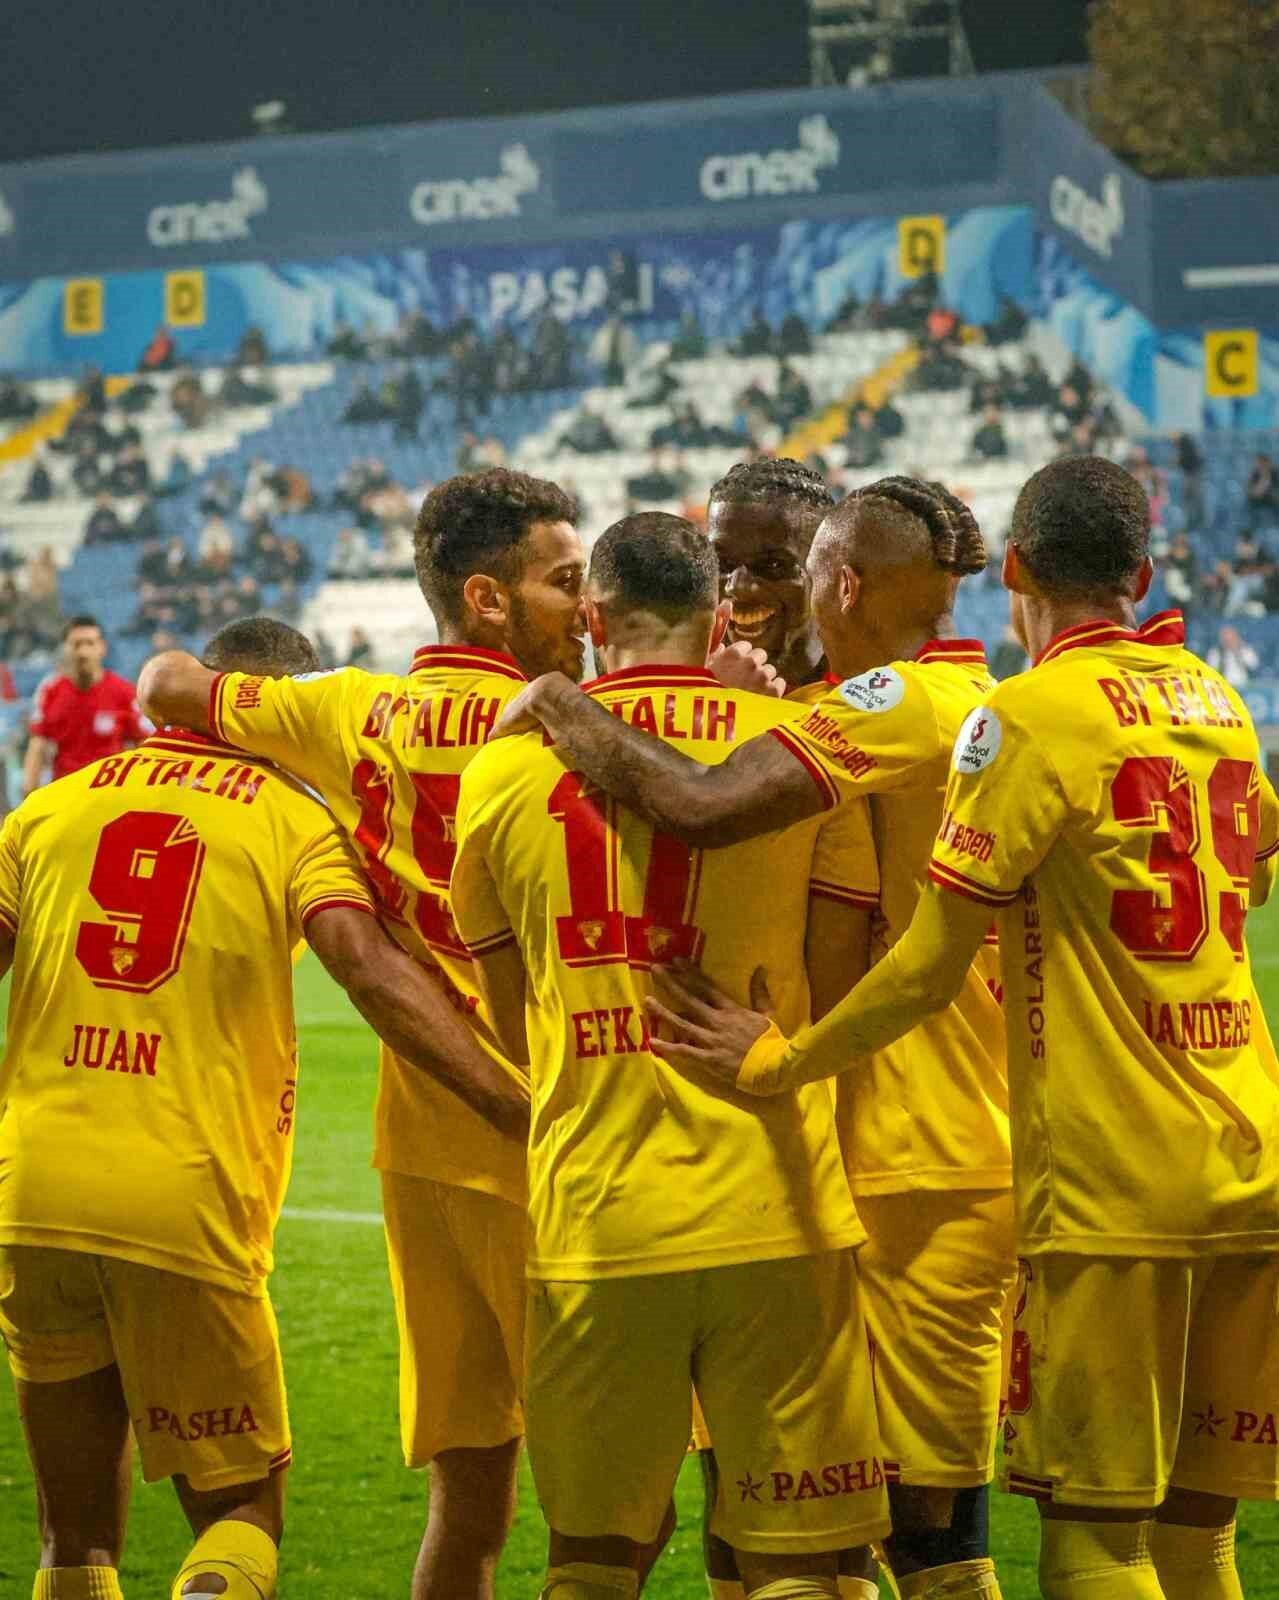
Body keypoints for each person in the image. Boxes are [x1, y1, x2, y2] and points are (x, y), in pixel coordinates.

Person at [657, 454, 1279, 1600]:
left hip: (1101, 1178)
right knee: (1195, 1539)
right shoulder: (1213, 696)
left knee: (1082, 1544)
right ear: (1141, 574)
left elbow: (922, 958)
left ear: (1017, 572)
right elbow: (1252, 863)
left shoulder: (1014, 716)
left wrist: (782, 1060)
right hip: (1247, 1150)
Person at [491, 477, 1013, 1600]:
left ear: (836, 575)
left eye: (773, 566)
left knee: (921, 1535)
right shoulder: (813, 712)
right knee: (765, 1526)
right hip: (801, 1169)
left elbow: (711, 811)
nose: (742, 592)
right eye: (722, 566)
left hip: (914, 1155)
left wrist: (567, 702)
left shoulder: (878, 709)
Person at [0, 616, 528, 1600]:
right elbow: (369, 971)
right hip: (182, 1199)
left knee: (72, 1540)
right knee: (241, 1513)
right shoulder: (294, 821)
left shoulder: (46, 810)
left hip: (29, 1191)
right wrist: (512, 1102)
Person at [138, 468, 591, 1600]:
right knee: (608, 1518)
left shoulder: (351, 710)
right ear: (487, 598)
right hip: (563, 1134)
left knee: (469, 1499)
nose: (585, 608)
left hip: (425, 1145)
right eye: (565, 581)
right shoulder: (587, 729)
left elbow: (166, 680)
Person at [451, 511, 888, 1600]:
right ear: (718, 619)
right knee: (802, 1568)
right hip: (778, 1202)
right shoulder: (801, 751)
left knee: (591, 1566)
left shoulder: (499, 773)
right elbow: (840, 985)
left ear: (595, 622)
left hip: (598, 1211)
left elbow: (511, 1016)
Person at [709, 458, 835, 701]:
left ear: (826, 572)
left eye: (773, 565)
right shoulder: (675, 689)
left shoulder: (869, 697)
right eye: (722, 563)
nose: (738, 587)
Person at [24, 618, 149, 795]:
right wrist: (29, 792)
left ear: (102, 647)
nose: (83, 652)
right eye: (76, 644)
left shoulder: (124, 692)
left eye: (90, 643)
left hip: (108, 794)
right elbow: (37, 745)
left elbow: (143, 744)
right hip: (65, 792)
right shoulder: (50, 691)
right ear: (65, 649)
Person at [1206, 623, 1260, 687]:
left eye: (1231, 638)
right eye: (1225, 638)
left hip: (1243, 686)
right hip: (1222, 686)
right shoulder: (1215, 653)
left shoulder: (1246, 650)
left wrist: (1238, 652)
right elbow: (1211, 670)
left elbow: (1254, 665)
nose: (1228, 641)